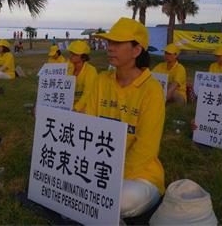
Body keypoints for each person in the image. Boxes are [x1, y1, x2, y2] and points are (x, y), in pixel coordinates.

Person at [81, 17, 165, 218]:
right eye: (110, 42)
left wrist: (110, 176)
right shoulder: (101, 81)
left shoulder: (151, 90)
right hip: (99, 168)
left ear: (136, 51)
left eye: (117, 43)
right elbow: (87, 126)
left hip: (139, 175)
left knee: (120, 200)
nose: (110, 48)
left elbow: (146, 148)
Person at [66, 40, 97, 112]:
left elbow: (87, 94)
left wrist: (75, 109)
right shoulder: (67, 67)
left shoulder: (91, 71)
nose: (71, 56)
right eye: (71, 53)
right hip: (68, 105)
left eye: (75, 54)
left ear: (83, 57)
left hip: (84, 107)